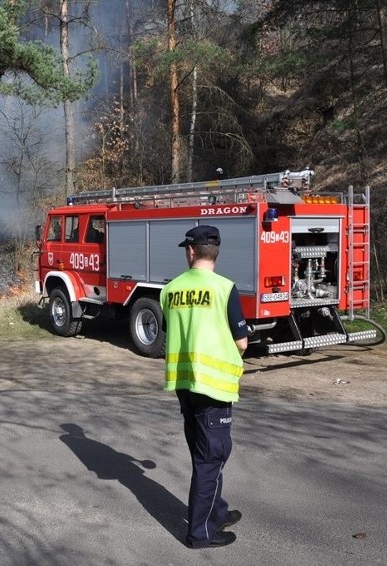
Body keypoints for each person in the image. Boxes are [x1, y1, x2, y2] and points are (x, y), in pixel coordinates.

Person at [160, 225, 249, 549]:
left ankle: (217, 511)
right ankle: (200, 533)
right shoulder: (225, 289)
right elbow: (241, 343)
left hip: (184, 385)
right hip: (213, 387)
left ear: (190, 251)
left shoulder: (170, 290)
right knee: (210, 459)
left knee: (206, 456)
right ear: (215, 252)